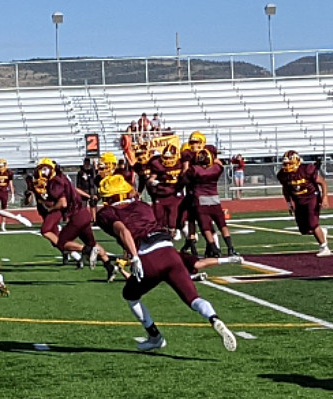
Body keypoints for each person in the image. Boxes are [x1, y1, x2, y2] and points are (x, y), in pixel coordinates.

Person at [95, 174, 239, 353]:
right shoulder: (143, 205)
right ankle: (214, 318)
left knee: (130, 296)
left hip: (147, 257)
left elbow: (123, 230)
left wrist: (134, 257)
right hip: (169, 252)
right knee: (194, 299)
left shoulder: (106, 213)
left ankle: (155, 337)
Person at [181, 131, 237, 259]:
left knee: (203, 226)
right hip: (214, 199)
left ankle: (212, 247)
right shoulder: (216, 169)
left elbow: (185, 175)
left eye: (196, 142)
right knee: (220, 224)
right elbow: (219, 164)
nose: (193, 145)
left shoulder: (195, 170)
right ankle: (229, 248)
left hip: (198, 199)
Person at [277, 150, 330, 255]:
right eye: (285, 164)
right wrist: (289, 202)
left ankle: (324, 247)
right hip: (298, 199)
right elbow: (286, 189)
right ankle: (321, 232)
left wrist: (324, 197)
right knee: (304, 230)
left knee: (313, 224)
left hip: (312, 197)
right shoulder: (283, 174)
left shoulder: (306, 169)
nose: (287, 166)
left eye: (289, 163)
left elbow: (322, 182)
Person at [0, 159, 15, 231]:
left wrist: (12, 194)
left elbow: (11, 184)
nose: (1, 168)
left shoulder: (9, 173)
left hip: (4, 192)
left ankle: (3, 224)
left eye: (2, 165)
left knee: (4, 209)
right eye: (0, 166)